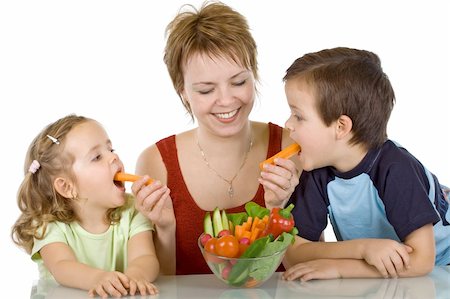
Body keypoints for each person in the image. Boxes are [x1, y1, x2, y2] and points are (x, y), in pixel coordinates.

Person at [131, 1, 299, 275]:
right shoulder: (155, 162)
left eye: (238, 82)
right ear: (183, 91)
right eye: (206, 90)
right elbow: (159, 283)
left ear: (253, 73)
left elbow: (308, 269)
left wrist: (277, 210)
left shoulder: (290, 147)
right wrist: (164, 227)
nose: (225, 100)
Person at [280, 47, 450, 281]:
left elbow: (422, 260)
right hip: (392, 276)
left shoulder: (396, 169)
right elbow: (293, 253)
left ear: (341, 127)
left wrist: (339, 269)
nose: (288, 124)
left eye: (298, 116)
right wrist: (362, 248)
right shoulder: (317, 170)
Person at [11, 114, 159, 297]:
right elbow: (62, 266)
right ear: (66, 187)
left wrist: (135, 277)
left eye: (111, 149)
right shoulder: (48, 224)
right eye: (97, 157)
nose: (114, 157)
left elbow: (145, 257)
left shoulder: (133, 210)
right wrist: (98, 278)